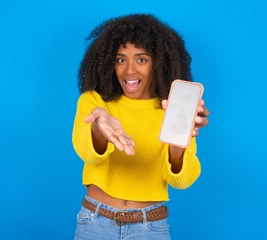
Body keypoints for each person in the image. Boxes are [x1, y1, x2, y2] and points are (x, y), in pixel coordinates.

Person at [72, 13, 210, 239]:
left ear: (159, 63)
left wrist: (178, 143)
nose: (129, 71)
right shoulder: (95, 102)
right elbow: (86, 152)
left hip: (150, 227)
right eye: (120, 59)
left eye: (142, 59)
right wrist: (99, 130)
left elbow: (181, 181)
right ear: (109, 62)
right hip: (95, 223)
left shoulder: (172, 110)